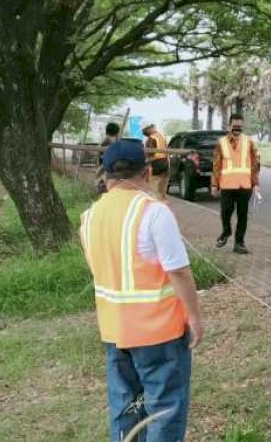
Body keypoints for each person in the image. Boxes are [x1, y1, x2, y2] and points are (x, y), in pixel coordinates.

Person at [79, 141, 204, 441]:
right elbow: (178, 271)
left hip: (114, 331)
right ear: (146, 172)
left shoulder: (89, 217)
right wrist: (195, 317)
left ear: (106, 175)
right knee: (164, 409)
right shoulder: (154, 212)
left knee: (126, 407)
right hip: (159, 333)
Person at [211, 113, 260, 254]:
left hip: (245, 185)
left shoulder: (249, 142)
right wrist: (214, 185)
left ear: (242, 126)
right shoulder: (221, 142)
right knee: (225, 213)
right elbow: (216, 164)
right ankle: (226, 232)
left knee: (242, 215)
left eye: (239, 126)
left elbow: (255, 163)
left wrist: (255, 182)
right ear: (229, 125)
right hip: (227, 185)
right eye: (235, 126)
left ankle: (239, 243)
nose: (237, 128)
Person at [142, 120, 170, 200]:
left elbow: (150, 155)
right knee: (162, 193)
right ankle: (164, 207)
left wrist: (144, 164)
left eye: (144, 130)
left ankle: (157, 209)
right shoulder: (161, 136)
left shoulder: (151, 139)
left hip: (156, 166)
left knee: (154, 191)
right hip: (166, 165)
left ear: (149, 128)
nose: (144, 133)